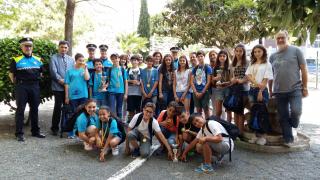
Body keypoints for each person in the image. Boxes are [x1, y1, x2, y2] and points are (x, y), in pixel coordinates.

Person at [269, 30, 308, 147]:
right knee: (283, 116)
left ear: (287, 38)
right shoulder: (272, 56)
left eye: (282, 37)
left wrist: (305, 87)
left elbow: (304, 69)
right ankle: (288, 139)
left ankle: (294, 123)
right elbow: (271, 75)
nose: (280, 40)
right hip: (279, 91)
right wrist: (270, 90)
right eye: (278, 38)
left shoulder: (296, 51)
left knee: (296, 111)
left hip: (295, 89)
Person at [9, 37, 46, 141]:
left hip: (34, 86)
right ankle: (19, 133)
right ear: (22, 47)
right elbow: (11, 74)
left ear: (32, 47)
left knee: (34, 109)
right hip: (22, 87)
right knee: (20, 110)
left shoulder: (38, 59)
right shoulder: (16, 59)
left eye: (30, 46)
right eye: (26, 45)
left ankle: (35, 131)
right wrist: (17, 84)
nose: (28, 47)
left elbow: (41, 73)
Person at [245, 44, 273, 145]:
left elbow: (266, 79)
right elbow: (248, 75)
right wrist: (256, 84)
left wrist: (260, 91)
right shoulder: (252, 63)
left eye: (259, 51)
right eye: (255, 52)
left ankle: (263, 137)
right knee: (254, 113)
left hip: (262, 91)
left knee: (262, 114)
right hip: (252, 90)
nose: (257, 53)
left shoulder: (267, 64)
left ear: (263, 52)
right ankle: (255, 136)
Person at [49, 40, 74, 136]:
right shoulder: (53, 58)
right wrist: (62, 82)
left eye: (65, 47)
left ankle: (66, 127)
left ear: (68, 49)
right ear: (58, 47)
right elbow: (53, 72)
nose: (63, 49)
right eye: (62, 47)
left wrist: (69, 83)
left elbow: (72, 72)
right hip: (57, 88)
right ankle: (54, 128)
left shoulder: (71, 59)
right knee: (57, 107)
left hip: (69, 88)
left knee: (68, 108)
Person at [65, 53, 90, 138]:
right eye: (80, 60)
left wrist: (85, 68)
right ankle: (71, 132)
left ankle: (81, 132)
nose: (82, 62)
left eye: (83, 61)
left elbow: (87, 78)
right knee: (73, 113)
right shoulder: (69, 71)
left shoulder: (84, 70)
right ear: (75, 60)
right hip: (73, 96)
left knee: (83, 114)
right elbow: (67, 84)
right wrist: (67, 96)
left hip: (83, 95)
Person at [230, 44, 249, 136]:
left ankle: (240, 132)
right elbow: (230, 77)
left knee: (240, 111)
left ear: (244, 52)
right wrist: (232, 80)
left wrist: (240, 80)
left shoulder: (248, 62)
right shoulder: (232, 63)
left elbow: (249, 77)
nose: (238, 53)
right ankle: (236, 130)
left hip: (244, 90)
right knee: (235, 110)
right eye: (236, 51)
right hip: (234, 89)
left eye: (240, 51)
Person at [190, 50, 212, 119]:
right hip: (196, 92)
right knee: (198, 110)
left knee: (206, 109)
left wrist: (202, 92)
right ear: (197, 57)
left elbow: (209, 81)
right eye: (198, 56)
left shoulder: (207, 67)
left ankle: (208, 124)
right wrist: (196, 92)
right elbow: (191, 82)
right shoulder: (195, 68)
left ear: (204, 57)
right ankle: (200, 125)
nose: (200, 58)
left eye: (201, 56)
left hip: (205, 92)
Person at [212, 50, 232, 121]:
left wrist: (226, 83)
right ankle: (218, 125)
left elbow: (231, 80)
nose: (222, 57)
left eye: (224, 56)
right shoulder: (215, 67)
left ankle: (229, 125)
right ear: (218, 57)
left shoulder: (229, 67)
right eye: (220, 56)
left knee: (228, 110)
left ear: (227, 57)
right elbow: (212, 79)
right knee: (218, 111)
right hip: (218, 89)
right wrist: (215, 78)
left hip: (227, 89)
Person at [107, 53, 128, 119]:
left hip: (120, 91)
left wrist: (126, 93)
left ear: (119, 59)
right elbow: (107, 81)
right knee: (112, 109)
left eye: (116, 58)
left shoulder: (122, 69)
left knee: (119, 109)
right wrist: (104, 86)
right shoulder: (109, 69)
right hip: (111, 91)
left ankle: (119, 123)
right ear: (111, 60)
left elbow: (126, 82)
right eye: (112, 59)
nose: (115, 60)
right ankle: (113, 123)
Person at [126, 55, 142, 123]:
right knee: (130, 109)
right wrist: (132, 81)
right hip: (130, 92)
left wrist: (139, 82)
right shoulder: (128, 70)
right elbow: (125, 80)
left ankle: (137, 122)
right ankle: (130, 122)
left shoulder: (141, 70)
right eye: (133, 60)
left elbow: (143, 80)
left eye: (136, 60)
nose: (134, 62)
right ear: (130, 61)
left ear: (138, 61)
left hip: (139, 93)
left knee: (138, 109)